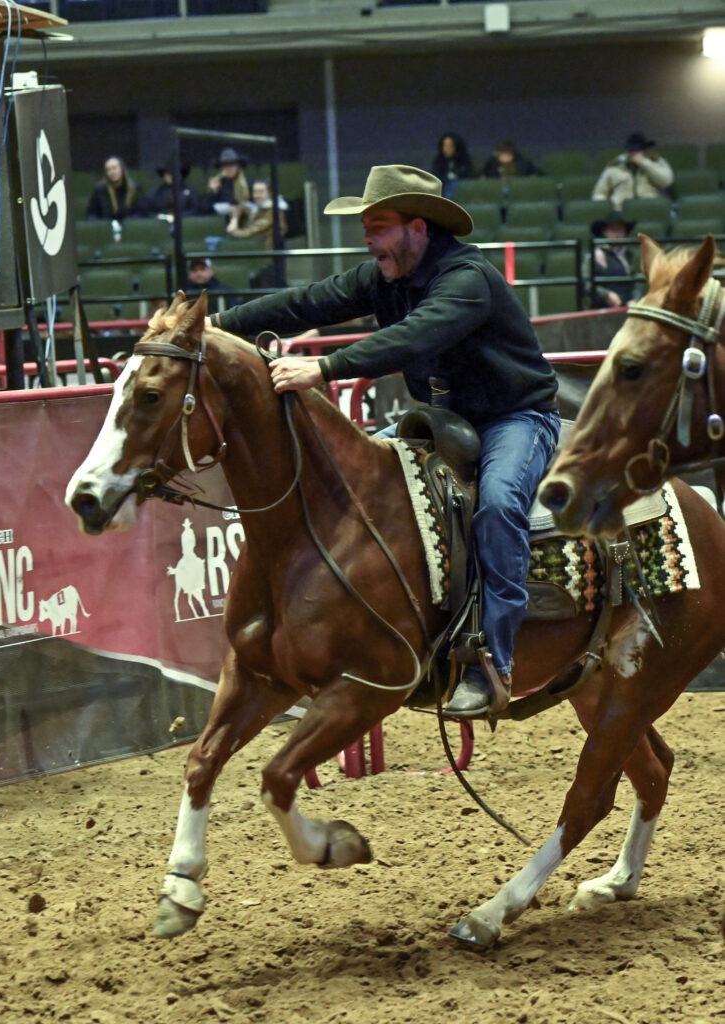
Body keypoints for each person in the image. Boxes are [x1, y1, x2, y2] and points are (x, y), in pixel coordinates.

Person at [208, 164, 560, 717]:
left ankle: (491, 658)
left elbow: (414, 335)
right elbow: (306, 302)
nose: (367, 239)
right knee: (352, 472)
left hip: (515, 420)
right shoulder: (388, 278)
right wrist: (211, 325)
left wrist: (325, 367)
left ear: (418, 229)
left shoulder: (468, 280)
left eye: (379, 226)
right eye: (367, 227)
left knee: (496, 505)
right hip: (444, 421)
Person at [226, 179, 289, 288]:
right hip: (260, 257)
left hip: (268, 259)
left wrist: (233, 225)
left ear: (269, 193)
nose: (256, 195)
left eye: (260, 191)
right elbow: (248, 209)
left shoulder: (273, 211)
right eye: (255, 192)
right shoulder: (261, 209)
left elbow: (248, 232)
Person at [591, 132, 674, 211]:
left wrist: (644, 163)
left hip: (650, 210)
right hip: (621, 212)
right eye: (631, 151)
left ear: (645, 150)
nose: (633, 154)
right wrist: (608, 208)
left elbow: (666, 181)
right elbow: (599, 193)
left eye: (637, 151)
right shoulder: (615, 166)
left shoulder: (655, 162)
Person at [585, 210, 637, 309]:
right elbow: (587, 284)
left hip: (628, 307)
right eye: (613, 229)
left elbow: (634, 284)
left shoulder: (628, 255)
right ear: (604, 232)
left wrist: (634, 299)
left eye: (620, 229)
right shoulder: (596, 255)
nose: (617, 234)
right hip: (604, 309)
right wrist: (606, 294)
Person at [86, 156, 148, 221]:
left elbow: (142, 213)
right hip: (106, 228)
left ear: (122, 169)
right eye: (108, 170)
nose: (111, 172)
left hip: (131, 228)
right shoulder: (100, 190)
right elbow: (91, 214)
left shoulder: (135, 188)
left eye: (114, 168)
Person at [201, 147, 251, 216]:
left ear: (238, 166)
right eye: (226, 165)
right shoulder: (219, 183)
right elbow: (205, 209)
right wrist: (212, 191)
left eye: (232, 164)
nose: (229, 168)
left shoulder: (246, 184)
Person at [430, 132, 474, 199]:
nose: (445, 149)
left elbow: (469, 177)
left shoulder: (464, 161)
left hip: (461, 191)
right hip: (442, 191)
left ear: (456, 147)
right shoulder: (439, 161)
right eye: (444, 146)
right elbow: (435, 177)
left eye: (449, 146)